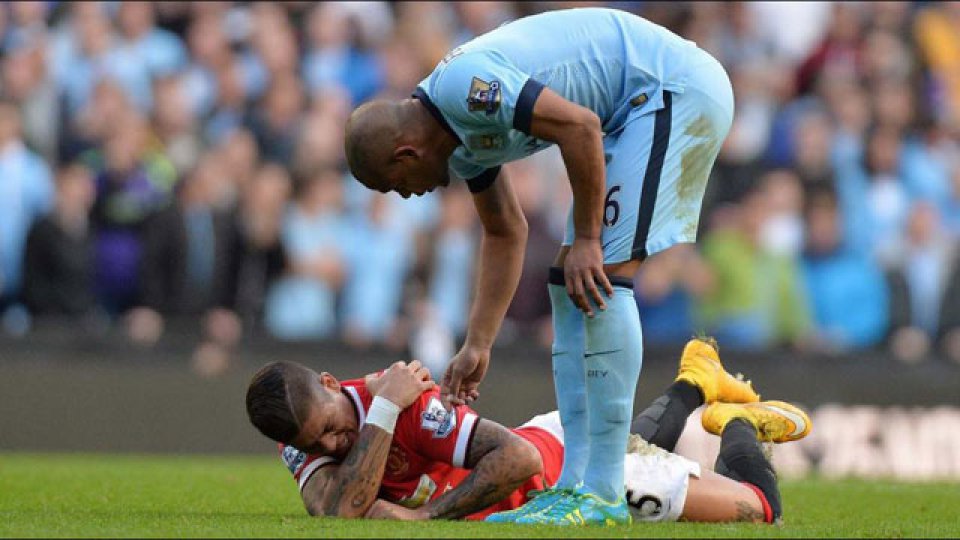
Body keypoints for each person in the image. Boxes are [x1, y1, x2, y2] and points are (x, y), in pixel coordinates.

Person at [343, 7, 734, 524]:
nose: (409, 195)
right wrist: (478, 342)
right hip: (631, 112)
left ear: (405, 152)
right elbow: (506, 231)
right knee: (568, 281)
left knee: (602, 276)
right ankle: (575, 483)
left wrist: (590, 239)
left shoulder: (465, 88)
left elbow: (580, 126)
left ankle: (602, 491)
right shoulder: (460, 146)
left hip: (670, 89)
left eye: (396, 185)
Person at [245, 338, 810, 525]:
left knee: (759, 510)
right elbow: (338, 511)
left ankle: (732, 420)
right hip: (556, 447)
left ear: (328, 382)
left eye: (330, 430)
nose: (330, 446)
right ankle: (694, 380)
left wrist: (423, 520)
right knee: (637, 442)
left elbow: (519, 462)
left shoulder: (407, 405)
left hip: (569, 473)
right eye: (312, 446)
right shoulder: (299, 430)